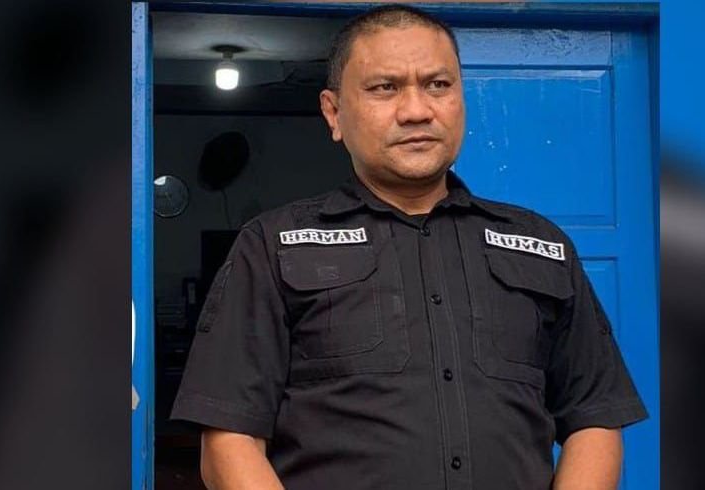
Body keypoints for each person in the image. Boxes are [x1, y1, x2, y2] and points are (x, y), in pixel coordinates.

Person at [171, 5, 647, 490]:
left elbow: (595, 419)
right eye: (385, 87)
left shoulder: (540, 246)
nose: (417, 110)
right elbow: (229, 443)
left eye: (438, 85)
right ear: (333, 113)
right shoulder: (273, 247)